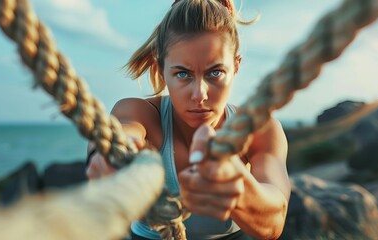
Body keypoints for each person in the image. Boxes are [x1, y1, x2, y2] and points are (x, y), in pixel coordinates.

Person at [86, 0, 290, 239]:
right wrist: (110, 154)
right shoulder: (140, 114)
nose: (199, 95)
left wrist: (240, 191)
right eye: (182, 74)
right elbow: (122, 131)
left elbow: (274, 221)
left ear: (236, 66)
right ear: (160, 69)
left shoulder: (259, 128)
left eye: (215, 72)